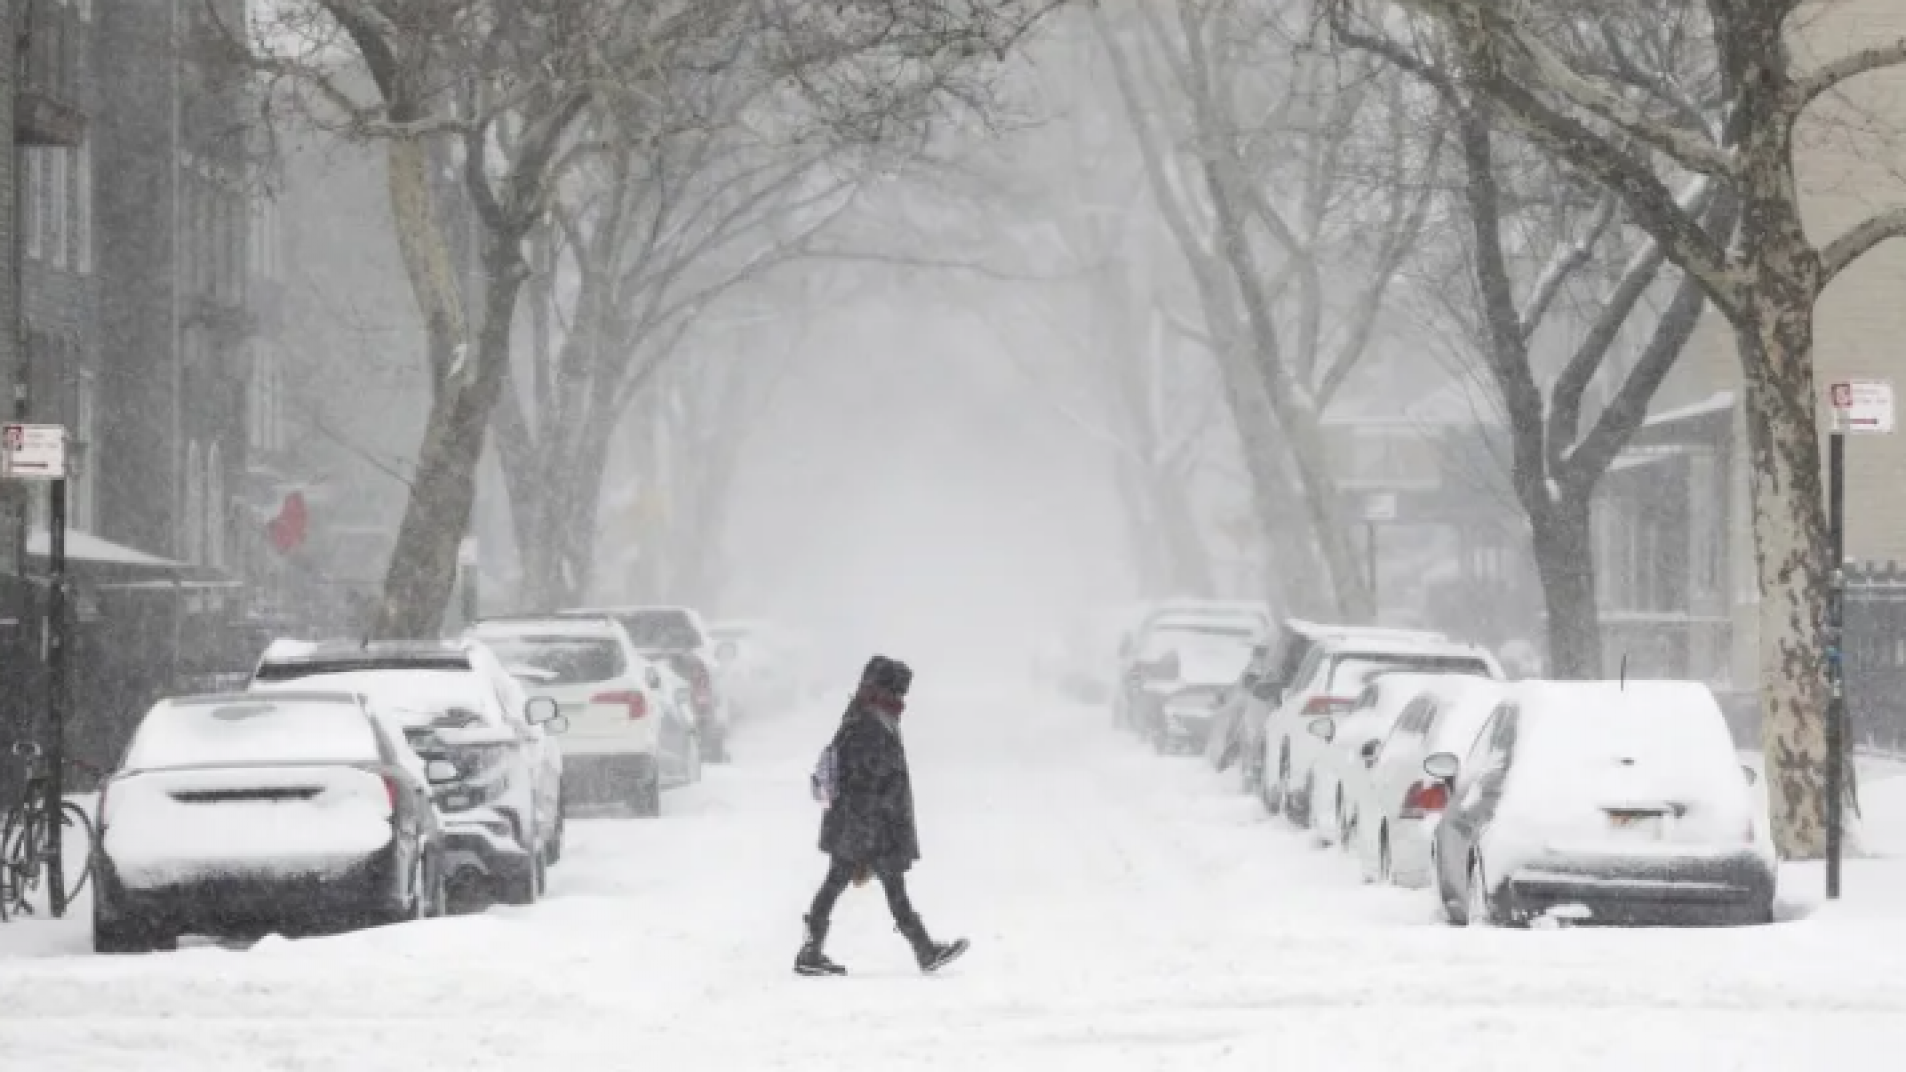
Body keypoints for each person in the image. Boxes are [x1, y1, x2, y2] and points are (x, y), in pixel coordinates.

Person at [795, 655, 967, 976]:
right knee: (873, 885)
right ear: (886, 690)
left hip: (864, 824)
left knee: (848, 884)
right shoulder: (868, 724)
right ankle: (923, 950)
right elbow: (866, 781)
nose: (903, 701)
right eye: (900, 693)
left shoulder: (867, 716)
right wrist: (868, 836)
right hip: (867, 825)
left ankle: (813, 950)